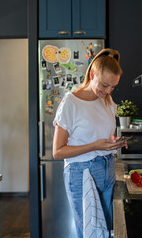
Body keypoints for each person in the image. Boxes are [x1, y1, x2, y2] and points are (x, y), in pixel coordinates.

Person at [52, 48, 126, 238]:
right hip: (81, 173)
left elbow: (106, 136)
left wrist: (114, 143)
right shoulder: (71, 102)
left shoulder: (108, 102)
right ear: (92, 74)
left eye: (113, 87)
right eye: (104, 85)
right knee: (90, 233)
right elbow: (57, 152)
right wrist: (95, 146)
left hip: (107, 168)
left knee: (109, 231)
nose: (108, 91)